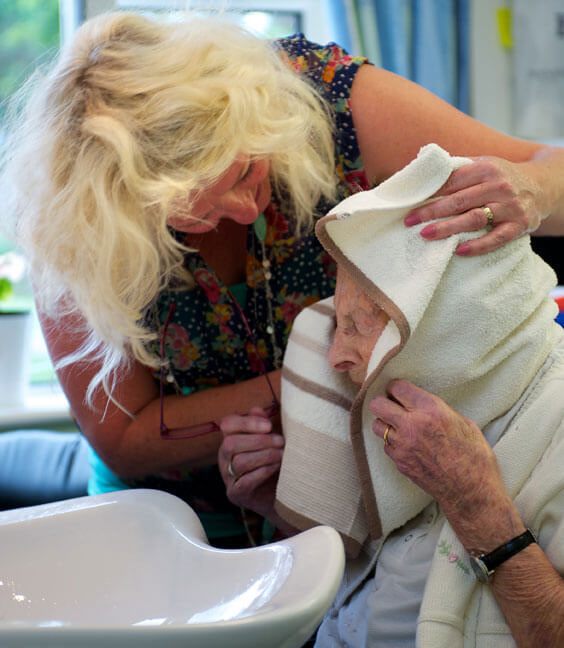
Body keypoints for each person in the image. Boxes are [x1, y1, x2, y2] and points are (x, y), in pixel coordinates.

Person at [2, 10, 564, 546]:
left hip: (354, 501)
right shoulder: (76, 223)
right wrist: (310, 384)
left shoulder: (330, 101)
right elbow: (126, 438)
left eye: (247, 169)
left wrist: (534, 187)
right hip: (161, 520)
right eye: (191, 216)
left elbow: (548, 163)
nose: (249, 211)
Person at [218, 144, 564, 646]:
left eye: (360, 326)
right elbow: (361, 574)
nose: (335, 356)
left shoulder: (552, 417)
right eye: (338, 322)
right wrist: (274, 500)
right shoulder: (402, 399)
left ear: (445, 323)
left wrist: (475, 503)